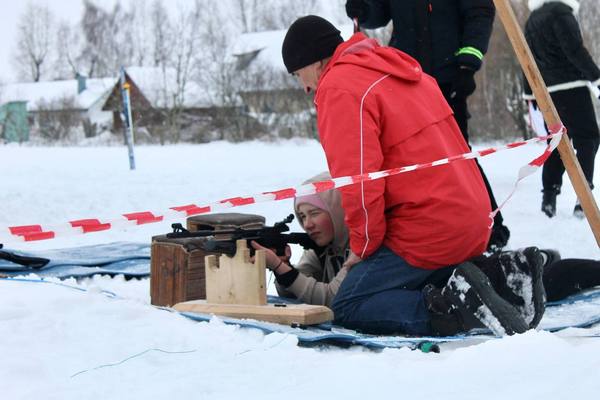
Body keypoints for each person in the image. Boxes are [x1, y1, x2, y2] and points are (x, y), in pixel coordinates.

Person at [279, 15, 529, 336]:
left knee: (349, 304)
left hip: (429, 230)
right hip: (475, 221)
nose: (304, 86)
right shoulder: (401, 70)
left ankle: (458, 311)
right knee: (402, 279)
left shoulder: (339, 88)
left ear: (315, 61)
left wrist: (363, 249)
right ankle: (501, 279)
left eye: (299, 75)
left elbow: (360, 182)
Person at [254, 173, 600, 332]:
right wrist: (284, 267)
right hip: (446, 283)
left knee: (547, 281)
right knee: (528, 278)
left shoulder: (360, 244)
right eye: (302, 217)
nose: (308, 223)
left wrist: (284, 272)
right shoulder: (322, 249)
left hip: (451, 280)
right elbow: (304, 290)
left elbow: (331, 298)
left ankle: (544, 264)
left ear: (340, 211)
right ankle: (532, 263)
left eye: (315, 213)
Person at [344, 0, 510, 251]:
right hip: (404, 77)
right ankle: (425, 229)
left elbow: (480, 11)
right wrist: (363, 9)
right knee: (409, 158)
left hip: (446, 78)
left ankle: (491, 226)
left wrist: (468, 62)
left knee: (457, 154)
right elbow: (379, 14)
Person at [523, 0, 600, 218]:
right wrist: (596, 77)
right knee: (588, 138)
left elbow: (526, 59)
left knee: (557, 142)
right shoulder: (561, 12)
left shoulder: (533, 19)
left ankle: (549, 195)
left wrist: (531, 93)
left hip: (548, 92)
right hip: (571, 86)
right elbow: (574, 49)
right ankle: (583, 200)